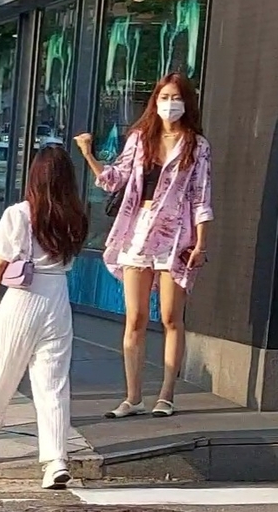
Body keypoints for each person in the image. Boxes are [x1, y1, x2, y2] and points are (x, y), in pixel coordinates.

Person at [78, 73, 212, 418]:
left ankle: (166, 394)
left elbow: (201, 197)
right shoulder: (140, 139)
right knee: (134, 318)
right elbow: (114, 179)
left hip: (175, 236)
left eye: (176, 97)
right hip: (137, 231)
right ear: (155, 101)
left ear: (187, 102)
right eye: (164, 96)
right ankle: (132, 396)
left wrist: (200, 243)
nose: (170, 103)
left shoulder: (196, 145)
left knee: (170, 316)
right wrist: (88, 153)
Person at [0, 142, 88, 488]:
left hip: (22, 297)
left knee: (2, 375)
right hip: (58, 298)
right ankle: (56, 457)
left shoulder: (19, 214)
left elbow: (1, 260)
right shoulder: (76, 215)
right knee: (53, 383)